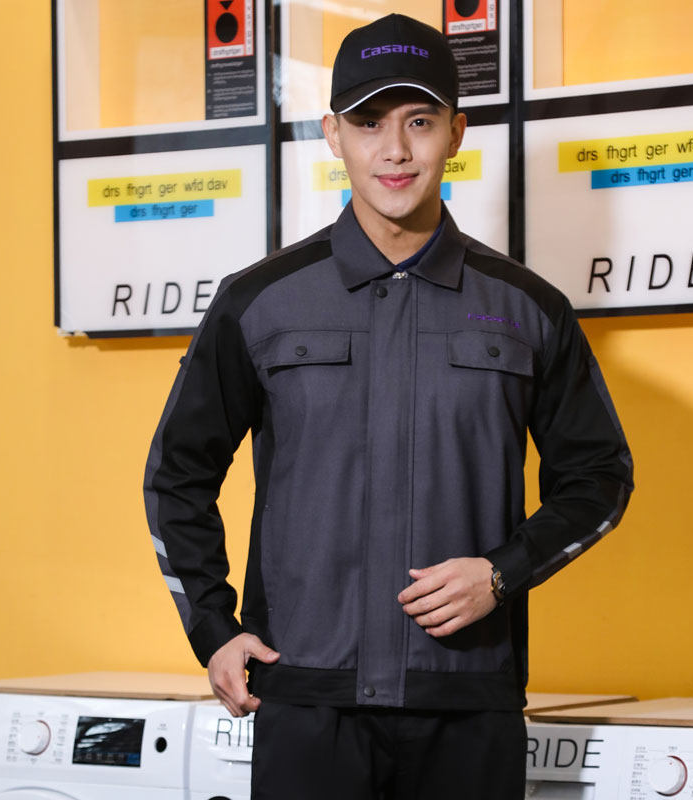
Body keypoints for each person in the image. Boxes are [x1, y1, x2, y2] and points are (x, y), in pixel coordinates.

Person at [144, 13, 633, 799]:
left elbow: (600, 477)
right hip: (305, 701)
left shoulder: (528, 308)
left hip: (468, 705)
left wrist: (501, 574)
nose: (395, 150)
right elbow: (176, 474)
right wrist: (213, 627)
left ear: (457, 133)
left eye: (420, 121)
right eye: (369, 122)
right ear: (333, 135)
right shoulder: (260, 302)